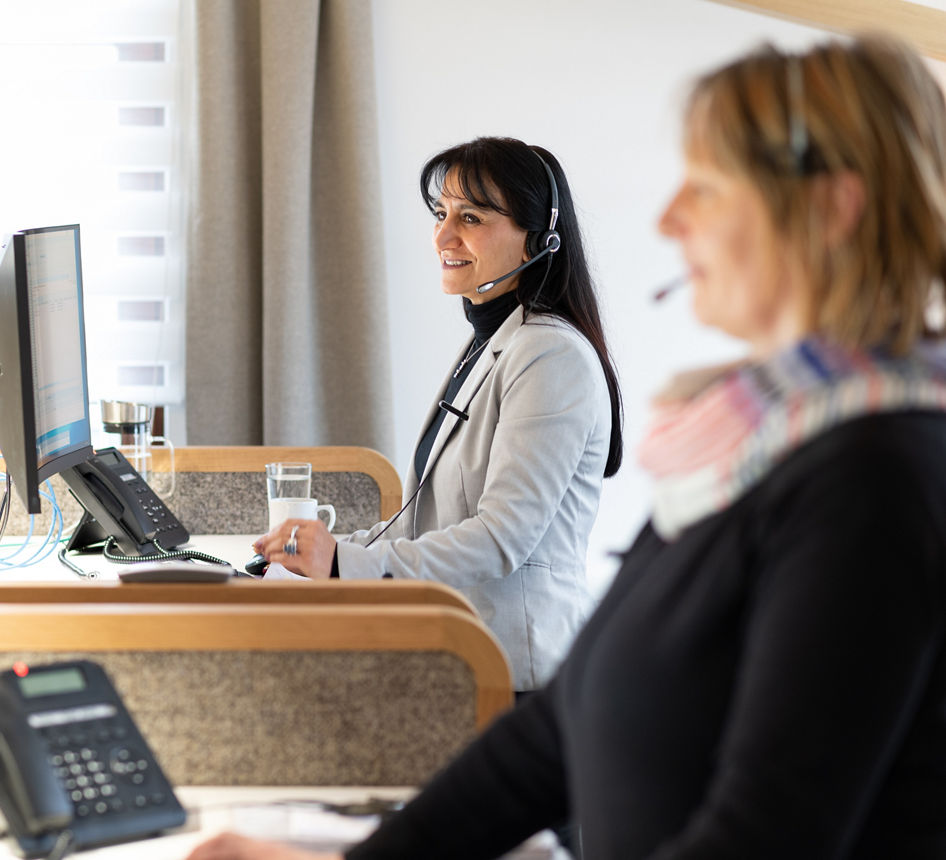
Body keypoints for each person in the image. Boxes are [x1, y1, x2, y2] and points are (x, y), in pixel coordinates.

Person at [188, 33, 946, 860]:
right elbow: (561, 724)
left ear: (832, 211)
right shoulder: (755, 442)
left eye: (708, 186)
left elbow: (762, 835)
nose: (668, 219)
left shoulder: (870, 480)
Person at [255, 136, 624, 695]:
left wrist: (342, 564)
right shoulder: (493, 343)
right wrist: (317, 553)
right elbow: (422, 523)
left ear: (538, 239)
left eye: (470, 217)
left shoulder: (551, 356)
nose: (443, 236)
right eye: (440, 213)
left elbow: (501, 538)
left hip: (515, 674)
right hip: (460, 655)